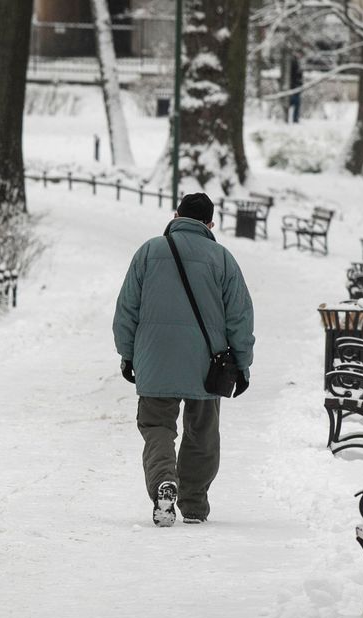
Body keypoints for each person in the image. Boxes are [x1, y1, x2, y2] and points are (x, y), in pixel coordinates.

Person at [112, 193, 255, 527]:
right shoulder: (222, 258)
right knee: (202, 431)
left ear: (176, 215)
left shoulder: (149, 251)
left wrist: (128, 353)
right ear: (210, 224)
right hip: (206, 362)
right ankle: (193, 504)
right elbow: (240, 317)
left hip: (154, 357)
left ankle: (164, 479)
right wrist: (243, 364)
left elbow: (127, 308)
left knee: (157, 425)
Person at [289, 56, 303, 123]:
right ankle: (295, 119)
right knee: (295, 104)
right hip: (294, 88)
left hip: (294, 88)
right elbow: (298, 77)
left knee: (294, 104)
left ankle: (294, 119)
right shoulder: (295, 65)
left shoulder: (295, 65)